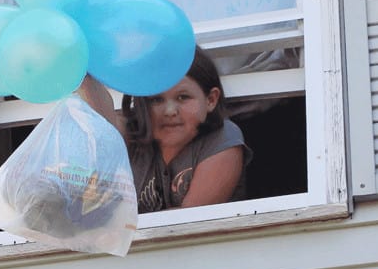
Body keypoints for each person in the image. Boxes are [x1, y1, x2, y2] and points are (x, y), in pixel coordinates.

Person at [77, 46, 249, 214]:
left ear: (211, 100)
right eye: (156, 99)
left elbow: (189, 221)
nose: (170, 111)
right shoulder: (132, 135)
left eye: (183, 97)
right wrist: (83, 70)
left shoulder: (223, 139)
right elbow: (102, 126)